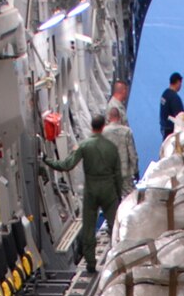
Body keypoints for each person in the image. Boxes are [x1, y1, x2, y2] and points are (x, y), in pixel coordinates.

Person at [42, 111, 123, 273]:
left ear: (92, 128)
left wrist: (46, 160)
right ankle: (118, 259)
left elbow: (66, 165)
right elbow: (118, 175)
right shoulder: (111, 148)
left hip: (92, 190)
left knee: (88, 228)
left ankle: (91, 264)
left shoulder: (85, 146)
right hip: (108, 190)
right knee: (115, 227)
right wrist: (118, 196)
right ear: (103, 127)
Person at [102, 101, 138, 185]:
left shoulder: (103, 132)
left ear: (109, 117)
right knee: (127, 197)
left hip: (109, 173)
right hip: (125, 174)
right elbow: (132, 154)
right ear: (119, 117)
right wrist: (135, 171)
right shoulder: (127, 132)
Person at [159, 72, 184, 141]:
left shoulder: (164, 94)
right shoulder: (174, 98)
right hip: (172, 133)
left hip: (164, 130)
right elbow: (180, 118)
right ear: (178, 82)